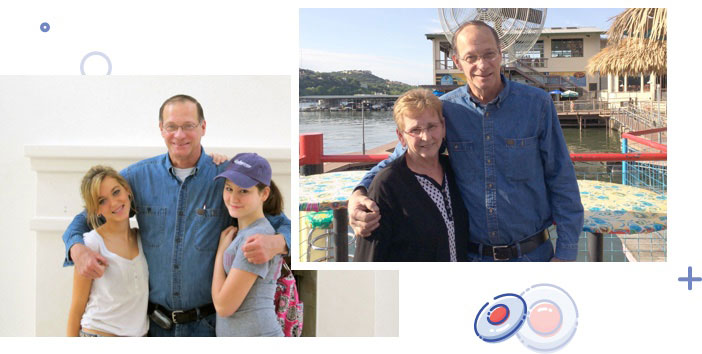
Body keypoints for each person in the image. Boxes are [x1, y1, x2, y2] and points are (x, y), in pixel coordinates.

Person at [349, 21, 584, 262]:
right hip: (472, 258)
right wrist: (358, 193)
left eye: (489, 54)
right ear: (457, 61)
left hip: (533, 256)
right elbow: (401, 157)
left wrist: (566, 252)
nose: (482, 65)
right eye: (471, 57)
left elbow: (561, 176)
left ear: (501, 53)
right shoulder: (446, 110)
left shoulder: (537, 104)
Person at [62, 94, 291, 336]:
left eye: (188, 126)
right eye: (171, 127)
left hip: (208, 327)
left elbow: (280, 222)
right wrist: (76, 248)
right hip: (154, 327)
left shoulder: (226, 179)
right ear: (161, 129)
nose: (179, 135)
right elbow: (86, 215)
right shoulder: (137, 178)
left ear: (203, 127)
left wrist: (278, 242)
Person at [354, 89, 468, 262]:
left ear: (443, 127)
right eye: (415, 130)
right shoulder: (387, 185)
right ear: (401, 136)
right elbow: (369, 258)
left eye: (432, 126)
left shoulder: (453, 171)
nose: (426, 137)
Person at [67, 166, 148, 337]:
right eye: (102, 201)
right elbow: (76, 307)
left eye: (116, 192)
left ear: (127, 191)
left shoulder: (143, 238)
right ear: (96, 210)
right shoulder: (91, 243)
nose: (113, 203)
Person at [211, 153, 284, 336]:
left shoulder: (256, 239)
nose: (233, 198)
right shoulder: (242, 232)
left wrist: (220, 253)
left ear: (264, 193)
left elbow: (223, 306)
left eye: (244, 191)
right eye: (229, 189)